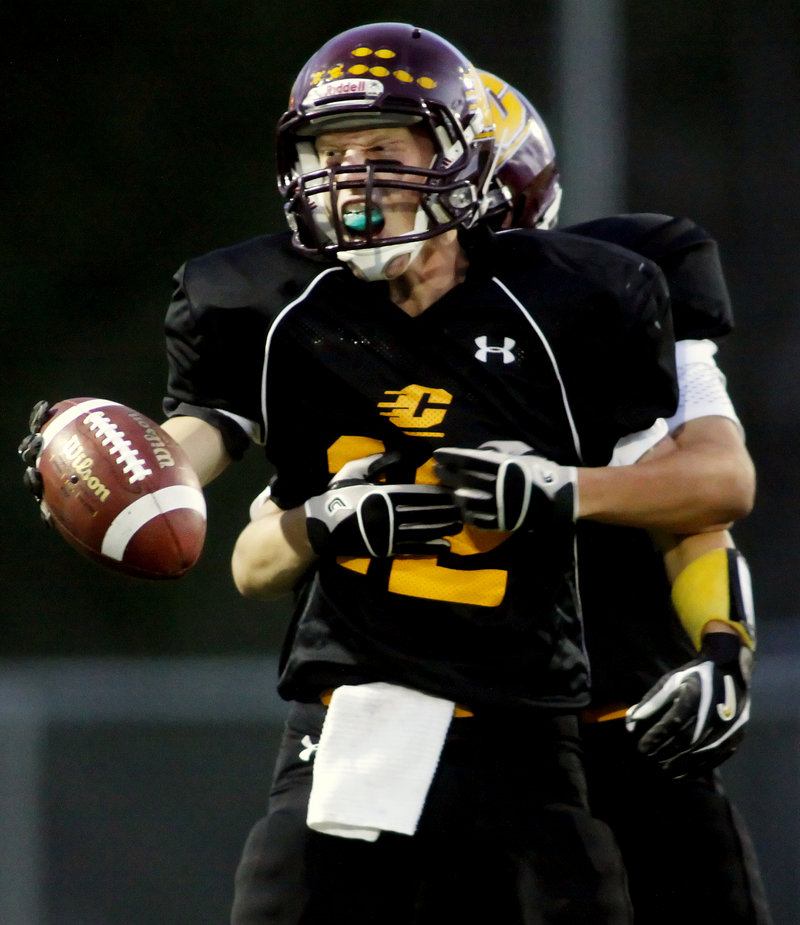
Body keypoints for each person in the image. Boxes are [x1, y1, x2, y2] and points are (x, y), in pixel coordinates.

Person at [473, 71, 771, 924]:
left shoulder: (614, 290)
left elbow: (714, 487)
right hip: (448, 734)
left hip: (618, 710)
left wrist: (724, 644)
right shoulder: (339, 325)